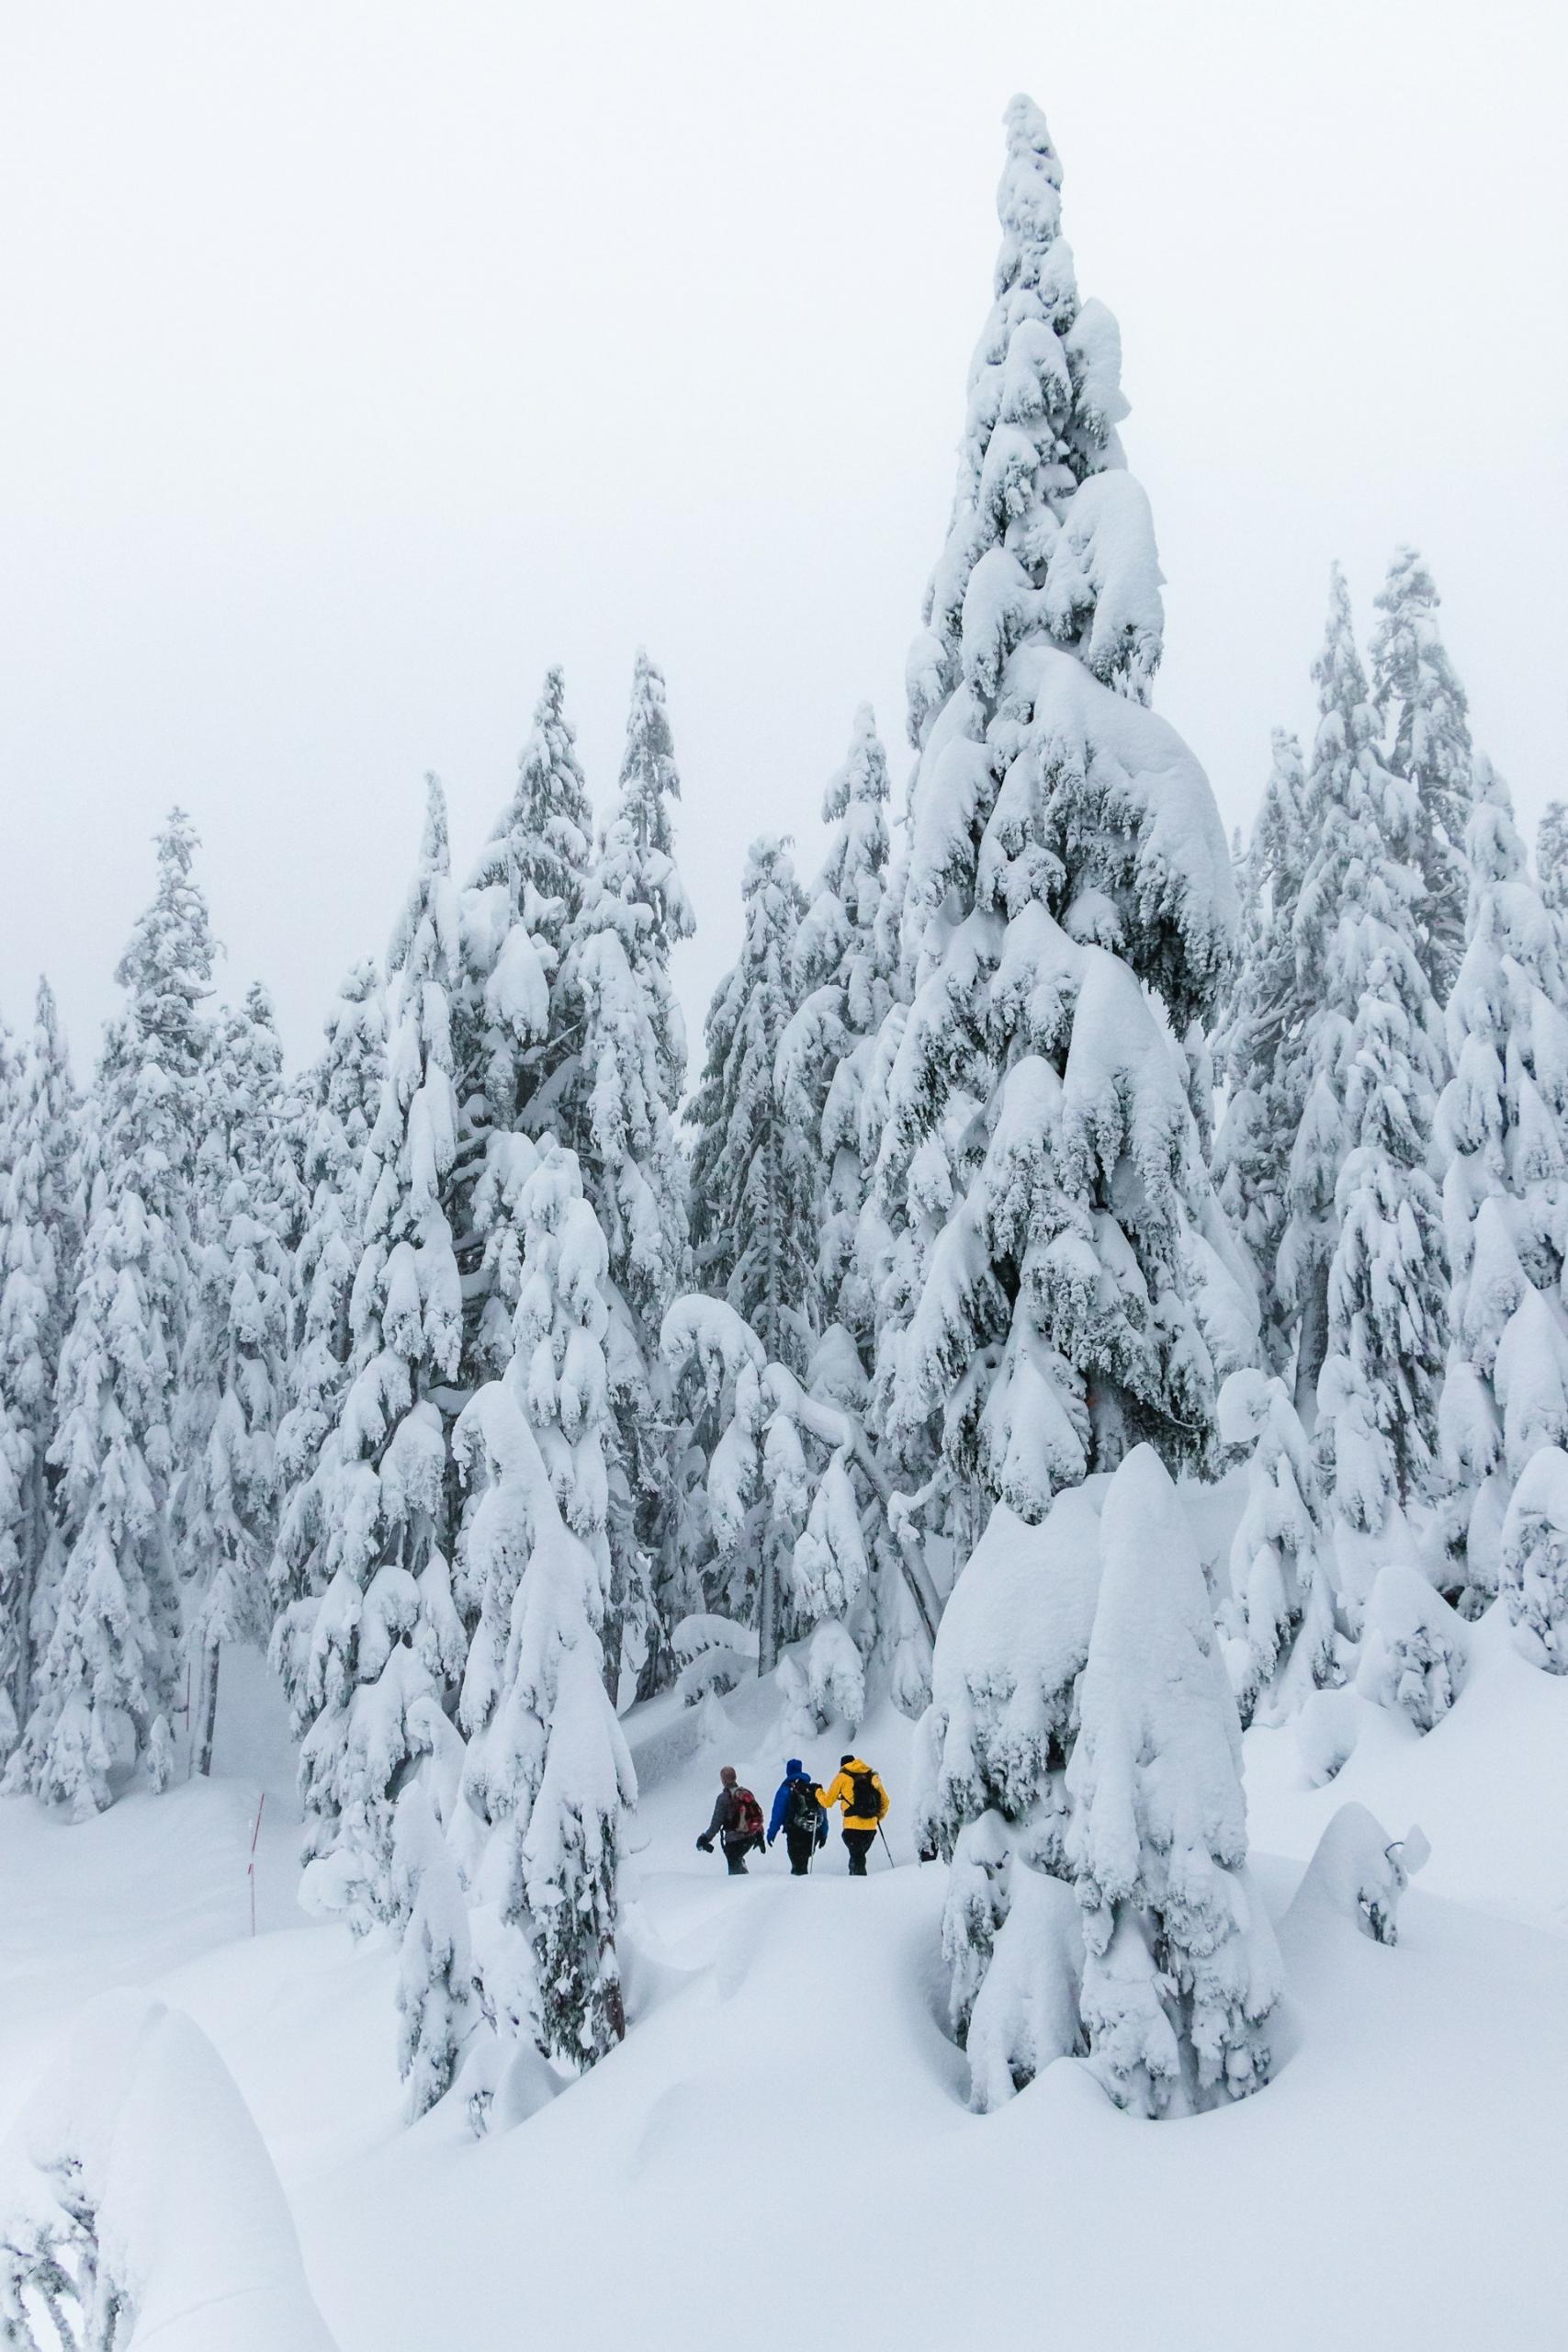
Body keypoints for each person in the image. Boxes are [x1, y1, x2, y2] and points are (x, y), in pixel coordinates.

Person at [816, 1754, 889, 1874]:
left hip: (852, 1827)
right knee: (858, 1857)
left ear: (842, 1765)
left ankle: (859, 1886)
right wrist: (877, 1818)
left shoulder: (842, 1777)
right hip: (870, 1828)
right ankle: (854, 1884)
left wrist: (818, 1792)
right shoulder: (871, 1776)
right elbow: (885, 1802)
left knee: (857, 1859)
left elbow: (827, 1802)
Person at [695, 1765, 763, 1875]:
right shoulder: (746, 1793)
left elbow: (716, 1824)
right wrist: (760, 1835)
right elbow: (755, 1815)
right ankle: (744, 1873)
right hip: (750, 1838)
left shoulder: (723, 1799)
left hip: (734, 1842)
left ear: (723, 1780)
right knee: (738, 1862)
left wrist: (705, 1838)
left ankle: (745, 1888)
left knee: (735, 1875)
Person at [767, 1758, 828, 1875]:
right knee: (803, 1862)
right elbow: (823, 1810)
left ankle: (799, 1889)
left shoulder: (786, 1790)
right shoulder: (811, 1790)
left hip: (795, 1831)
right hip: (812, 1831)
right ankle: (802, 1886)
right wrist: (824, 1832)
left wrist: (772, 1832)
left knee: (798, 1865)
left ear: (788, 1771)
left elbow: (778, 1813)